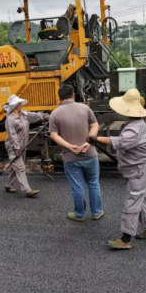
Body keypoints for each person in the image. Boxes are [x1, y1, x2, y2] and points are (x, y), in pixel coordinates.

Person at [88, 89, 146, 250]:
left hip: (138, 169)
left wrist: (97, 138)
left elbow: (122, 142)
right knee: (141, 198)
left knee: (132, 201)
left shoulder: (134, 127)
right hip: (139, 167)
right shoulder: (135, 123)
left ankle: (125, 239)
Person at [49, 85, 104, 222]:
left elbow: (53, 135)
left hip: (71, 157)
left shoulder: (55, 114)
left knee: (77, 187)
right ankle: (97, 212)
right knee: (93, 183)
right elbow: (95, 125)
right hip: (90, 154)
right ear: (73, 95)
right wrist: (89, 141)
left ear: (59, 98)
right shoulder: (85, 108)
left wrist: (69, 146)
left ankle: (79, 215)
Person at [4, 94, 48, 198]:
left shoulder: (24, 114)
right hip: (13, 147)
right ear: (15, 105)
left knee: (16, 166)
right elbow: (12, 135)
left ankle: (8, 185)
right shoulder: (10, 119)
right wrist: (16, 147)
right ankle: (27, 190)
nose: (21, 104)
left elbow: (37, 116)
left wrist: (49, 117)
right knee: (20, 167)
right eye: (19, 103)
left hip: (23, 145)